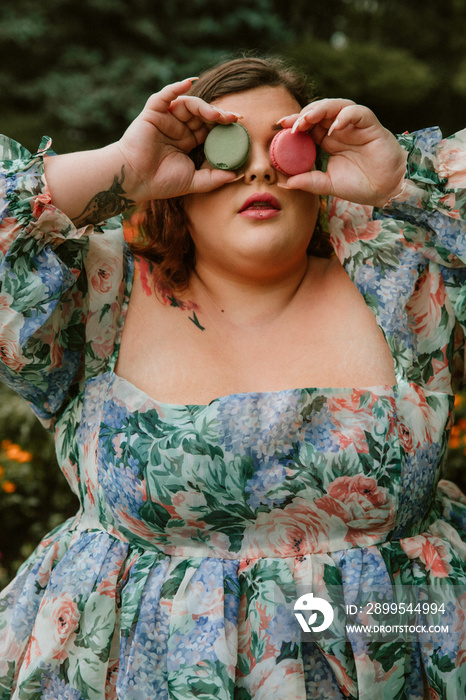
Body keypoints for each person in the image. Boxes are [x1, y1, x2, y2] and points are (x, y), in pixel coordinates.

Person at [0, 55, 465, 700]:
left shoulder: (405, 274)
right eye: (224, 147)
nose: (259, 165)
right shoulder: (96, 295)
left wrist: (398, 179)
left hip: (397, 635)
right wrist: (123, 169)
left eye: (284, 140)